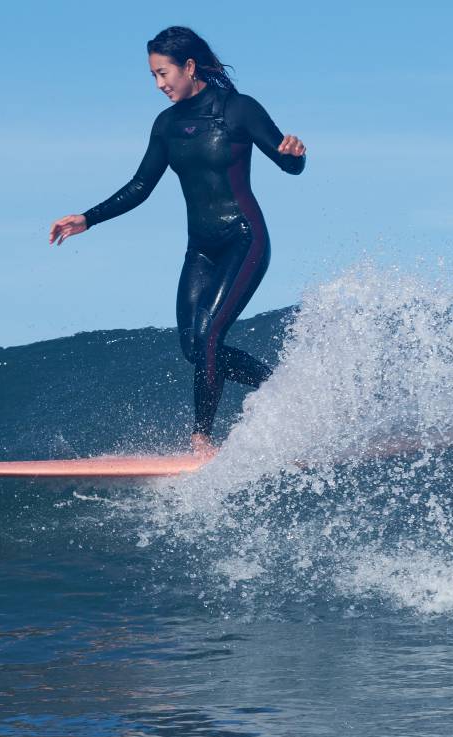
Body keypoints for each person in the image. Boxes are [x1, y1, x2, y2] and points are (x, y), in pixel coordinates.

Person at [48, 25, 307, 457]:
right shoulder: (166, 125)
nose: (159, 84)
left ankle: (201, 439)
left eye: (163, 73)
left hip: (244, 238)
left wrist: (296, 155)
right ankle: (283, 389)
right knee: (193, 346)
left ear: (189, 66)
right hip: (201, 249)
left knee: (208, 336)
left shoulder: (237, 110)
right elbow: (140, 186)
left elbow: (288, 164)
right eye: (153, 75)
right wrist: (87, 219)